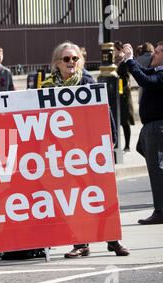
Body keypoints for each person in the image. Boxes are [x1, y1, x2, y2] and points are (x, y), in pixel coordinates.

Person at [40, 41, 129, 258]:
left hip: (89, 149)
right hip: (62, 151)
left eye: (75, 58)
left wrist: (112, 139)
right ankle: (81, 243)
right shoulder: (47, 87)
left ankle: (113, 239)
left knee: (100, 194)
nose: (71, 62)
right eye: (66, 59)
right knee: (74, 197)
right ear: (57, 63)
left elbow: (104, 111)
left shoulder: (88, 81)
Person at [123, 41, 163, 225]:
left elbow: (145, 80)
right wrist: (130, 60)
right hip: (151, 128)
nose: (153, 55)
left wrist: (131, 60)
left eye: (157, 52)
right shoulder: (157, 70)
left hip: (157, 128)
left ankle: (160, 211)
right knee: (154, 166)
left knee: (158, 171)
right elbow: (145, 73)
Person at [114, 41, 135, 152]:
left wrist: (120, 90)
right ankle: (118, 144)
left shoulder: (123, 62)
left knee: (125, 121)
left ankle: (127, 145)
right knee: (118, 121)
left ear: (119, 49)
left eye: (114, 49)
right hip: (117, 93)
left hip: (123, 94)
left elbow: (124, 79)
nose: (112, 52)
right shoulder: (115, 61)